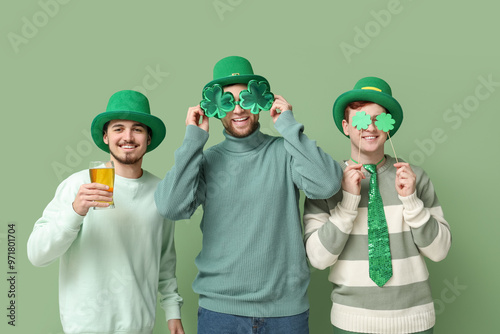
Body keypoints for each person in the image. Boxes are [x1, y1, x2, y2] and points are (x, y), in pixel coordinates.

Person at [154, 56, 343, 333]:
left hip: (286, 313)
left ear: (262, 103)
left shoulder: (286, 153)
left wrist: (289, 126)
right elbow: (170, 206)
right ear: (215, 109)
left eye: (246, 98)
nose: (239, 109)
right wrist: (193, 139)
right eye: (227, 101)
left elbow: (327, 185)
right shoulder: (207, 161)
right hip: (221, 312)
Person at [27, 90, 185, 334]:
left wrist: (172, 312)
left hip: (141, 328)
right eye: (118, 128)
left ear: (149, 138)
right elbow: (37, 254)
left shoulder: (160, 192)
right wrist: (75, 211)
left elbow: (164, 258)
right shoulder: (78, 185)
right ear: (106, 136)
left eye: (138, 129)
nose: (128, 137)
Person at [303, 77, 452, 334]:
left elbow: (439, 252)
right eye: (360, 120)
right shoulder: (326, 183)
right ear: (346, 126)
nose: (369, 128)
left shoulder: (414, 178)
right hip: (351, 322)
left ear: (389, 127)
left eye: (378, 119)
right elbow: (318, 259)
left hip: (415, 320)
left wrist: (411, 201)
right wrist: (348, 202)